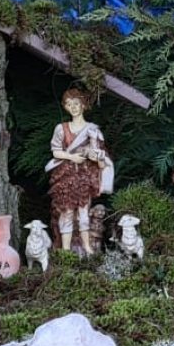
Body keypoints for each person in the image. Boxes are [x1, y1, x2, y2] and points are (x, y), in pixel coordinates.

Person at [45, 89, 113, 255]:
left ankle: (87, 246)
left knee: (83, 212)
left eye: (76, 103)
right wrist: (71, 157)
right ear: (66, 107)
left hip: (84, 176)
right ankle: (66, 249)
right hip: (66, 176)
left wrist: (95, 155)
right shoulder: (61, 128)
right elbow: (56, 152)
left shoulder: (93, 130)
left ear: (83, 104)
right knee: (67, 212)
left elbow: (100, 156)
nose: (73, 107)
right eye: (69, 105)